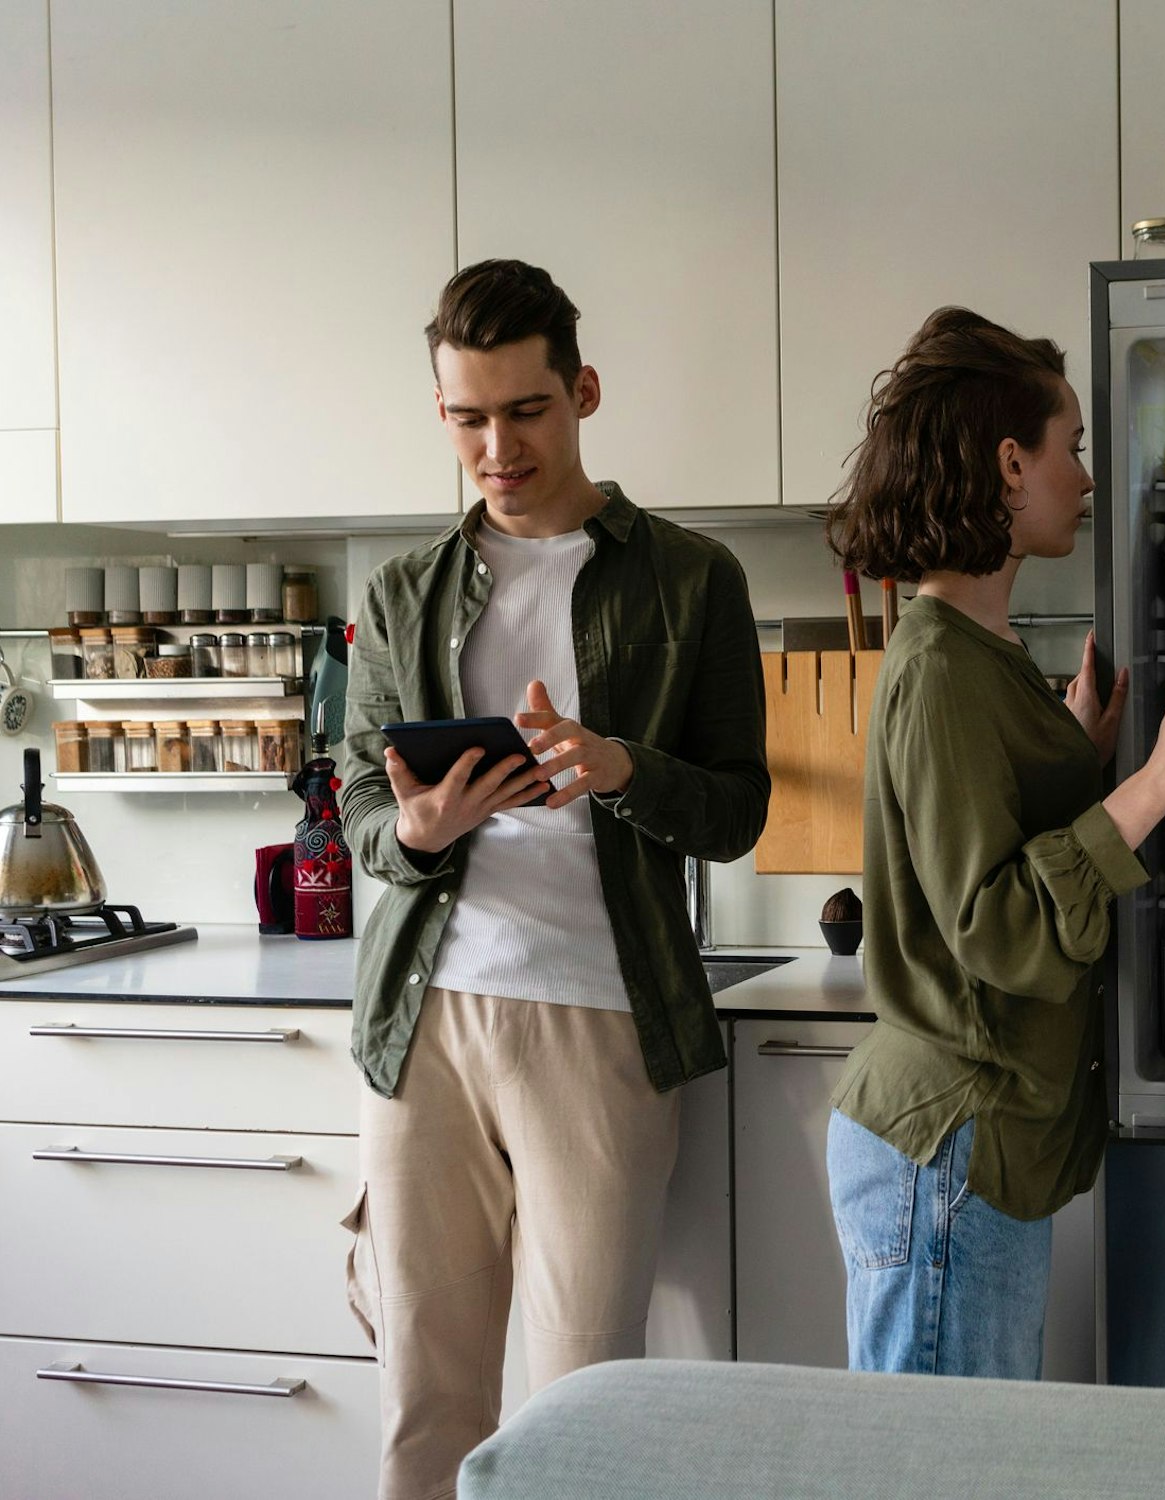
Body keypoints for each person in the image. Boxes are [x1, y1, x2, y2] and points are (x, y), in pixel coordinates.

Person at [337, 258, 770, 1497]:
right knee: (426, 1392)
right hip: (421, 1019)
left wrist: (623, 765)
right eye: (466, 417)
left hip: (600, 1015)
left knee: (584, 1399)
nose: (495, 446)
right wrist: (416, 832)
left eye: (523, 411)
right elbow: (363, 804)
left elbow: (737, 810)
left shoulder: (691, 580)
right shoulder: (401, 591)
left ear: (581, 391)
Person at [822, 306, 1165, 1378]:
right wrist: (1161, 778)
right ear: (1008, 462)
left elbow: (999, 827)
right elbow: (992, 924)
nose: (1083, 476)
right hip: (945, 1148)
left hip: (973, 1143)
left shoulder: (975, 654)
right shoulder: (937, 665)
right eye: (1070, 448)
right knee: (939, 1479)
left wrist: (1074, 750)